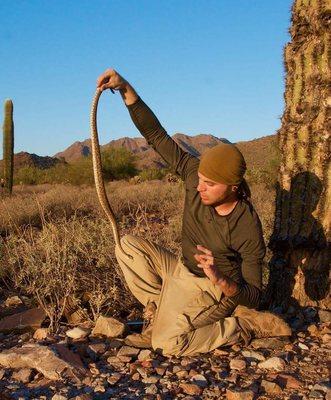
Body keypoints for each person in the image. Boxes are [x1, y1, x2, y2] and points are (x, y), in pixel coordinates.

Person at [96, 69, 291, 357]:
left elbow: (254, 293)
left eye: (209, 184)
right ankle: (159, 310)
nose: (199, 187)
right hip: (179, 267)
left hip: (210, 288)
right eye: (199, 179)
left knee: (166, 344)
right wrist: (125, 87)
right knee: (127, 247)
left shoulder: (246, 225)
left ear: (233, 188)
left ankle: (243, 327)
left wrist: (220, 279)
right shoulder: (192, 173)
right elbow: (155, 134)